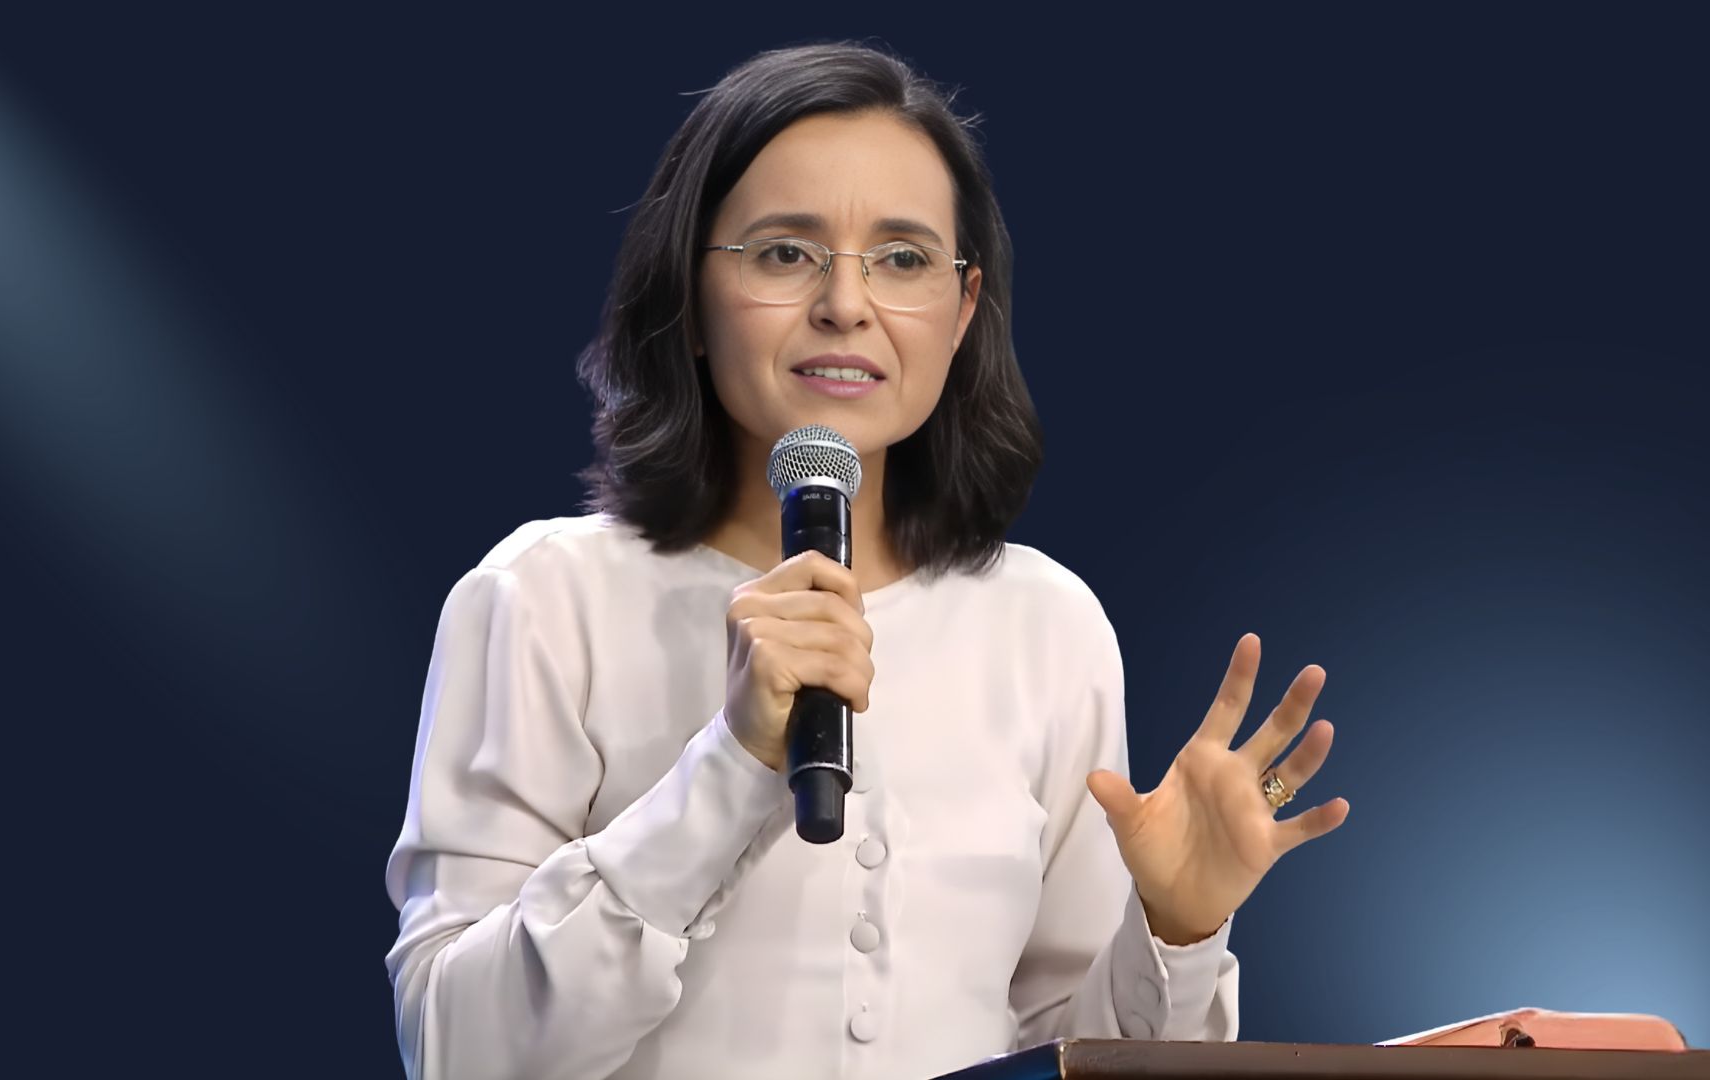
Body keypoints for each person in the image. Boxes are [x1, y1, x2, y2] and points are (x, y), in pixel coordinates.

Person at [383, 40, 1349, 1080]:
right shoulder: (543, 597)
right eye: (784, 253)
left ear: (963, 311)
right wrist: (729, 766)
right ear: (690, 298)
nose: (846, 304)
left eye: (902, 259)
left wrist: (1176, 930)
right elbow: (454, 1050)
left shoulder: (1046, 623)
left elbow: (1063, 1049)